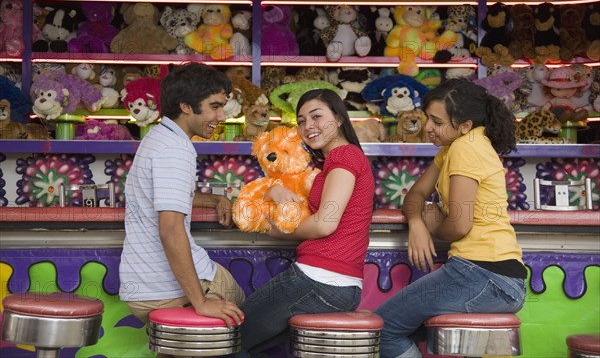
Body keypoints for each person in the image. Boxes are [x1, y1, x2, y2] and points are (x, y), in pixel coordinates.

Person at [374, 78, 527, 358]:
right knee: (395, 328)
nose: (428, 127)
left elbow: (459, 224)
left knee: (381, 330)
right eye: (427, 118)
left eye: (437, 121)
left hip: (484, 274)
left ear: (464, 125)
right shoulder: (452, 149)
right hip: (488, 277)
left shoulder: (466, 147)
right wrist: (417, 224)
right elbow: (415, 195)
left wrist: (432, 225)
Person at [237, 89, 375, 355]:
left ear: (338, 118)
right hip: (334, 283)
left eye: (317, 116)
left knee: (227, 339)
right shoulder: (336, 161)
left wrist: (280, 231)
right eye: (301, 120)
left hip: (320, 278)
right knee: (246, 345)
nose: (308, 126)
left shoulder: (344, 156)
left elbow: (325, 223)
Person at [119, 62, 245, 329]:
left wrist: (213, 200)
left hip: (142, 283)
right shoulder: (174, 149)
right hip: (162, 287)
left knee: (176, 348)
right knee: (242, 309)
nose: (222, 117)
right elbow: (171, 230)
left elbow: (163, 195)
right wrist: (200, 302)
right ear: (187, 106)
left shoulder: (157, 138)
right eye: (215, 106)